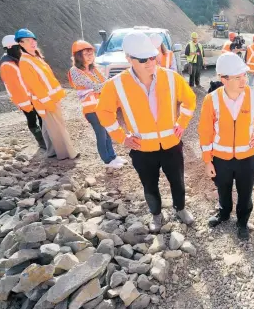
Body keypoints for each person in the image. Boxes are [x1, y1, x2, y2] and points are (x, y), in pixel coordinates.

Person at [96, 31, 197, 232]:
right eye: (143, 60)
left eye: (152, 57)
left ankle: (180, 209)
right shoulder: (116, 85)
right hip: (142, 148)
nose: (150, 62)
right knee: (149, 186)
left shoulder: (171, 78)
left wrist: (182, 123)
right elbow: (104, 112)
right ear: (129, 59)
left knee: (177, 181)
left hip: (171, 144)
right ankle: (156, 215)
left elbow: (190, 100)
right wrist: (121, 138)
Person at [198, 52, 254, 240]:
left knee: (245, 191)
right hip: (221, 159)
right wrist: (208, 161)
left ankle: (242, 222)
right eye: (237, 77)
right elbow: (205, 133)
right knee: (222, 188)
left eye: (244, 75)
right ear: (223, 79)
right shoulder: (212, 100)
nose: (244, 81)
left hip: (247, 158)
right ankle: (224, 213)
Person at [16, 28, 78, 160]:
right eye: (27, 41)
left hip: (51, 98)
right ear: (20, 43)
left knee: (48, 126)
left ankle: (51, 151)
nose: (32, 43)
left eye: (33, 40)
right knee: (58, 127)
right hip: (46, 100)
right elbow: (35, 85)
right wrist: (47, 102)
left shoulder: (35, 58)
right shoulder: (25, 61)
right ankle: (66, 153)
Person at [68, 40, 127, 169]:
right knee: (101, 135)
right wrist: (114, 80)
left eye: (91, 53)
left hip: (102, 107)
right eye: (86, 54)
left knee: (107, 133)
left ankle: (113, 156)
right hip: (91, 109)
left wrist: (110, 84)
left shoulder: (94, 69)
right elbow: (96, 87)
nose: (90, 56)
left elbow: (104, 84)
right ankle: (107, 160)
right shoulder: (75, 71)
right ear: (78, 56)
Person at [0, 35, 46, 149]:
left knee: (41, 117)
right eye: (18, 47)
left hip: (32, 96)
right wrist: (27, 104)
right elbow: (16, 88)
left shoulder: (15, 59)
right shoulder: (7, 65)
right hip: (25, 100)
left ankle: (46, 139)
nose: (21, 49)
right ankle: (42, 141)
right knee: (32, 119)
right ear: (10, 47)